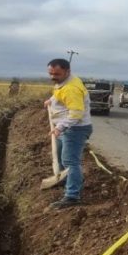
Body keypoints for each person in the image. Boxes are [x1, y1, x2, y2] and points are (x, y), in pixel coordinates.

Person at [44, 58, 93, 209]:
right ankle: (65, 179)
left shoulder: (71, 88)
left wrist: (60, 127)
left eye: (57, 74)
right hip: (66, 127)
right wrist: (51, 100)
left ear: (67, 71)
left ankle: (72, 196)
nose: (53, 77)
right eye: (51, 73)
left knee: (70, 161)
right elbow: (59, 92)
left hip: (75, 129)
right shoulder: (65, 82)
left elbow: (76, 113)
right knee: (60, 156)